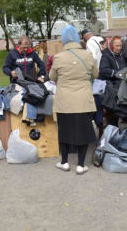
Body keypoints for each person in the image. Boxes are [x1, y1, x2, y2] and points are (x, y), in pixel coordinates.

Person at [50, 25, 98, 175]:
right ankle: (80, 165)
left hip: (64, 102)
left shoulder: (58, 57)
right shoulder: (88, 55)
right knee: (83, 132)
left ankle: (64, 162)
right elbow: (95, 74)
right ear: (78, 38)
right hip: (83, 101)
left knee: (64, 132)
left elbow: (52, 77)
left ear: (63, 39)